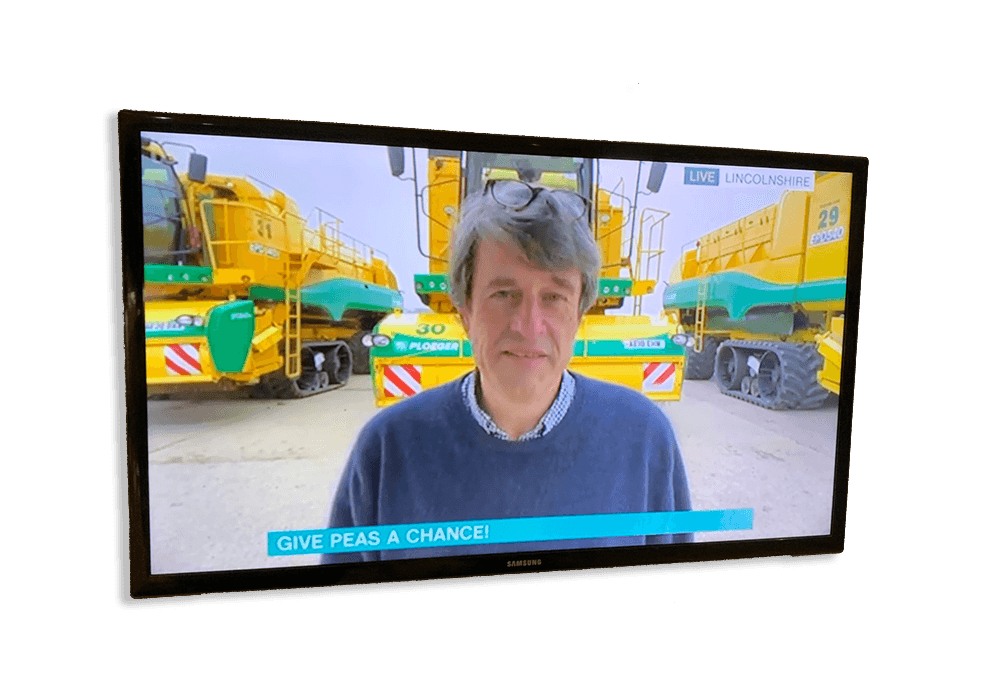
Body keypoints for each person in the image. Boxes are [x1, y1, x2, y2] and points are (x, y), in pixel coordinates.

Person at [320, 178, 692, 563]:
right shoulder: (386, 451)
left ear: (579, 315)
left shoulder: (645, 441)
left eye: (554, 297)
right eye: (504, 294)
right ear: (465, 311)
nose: (528, 326)